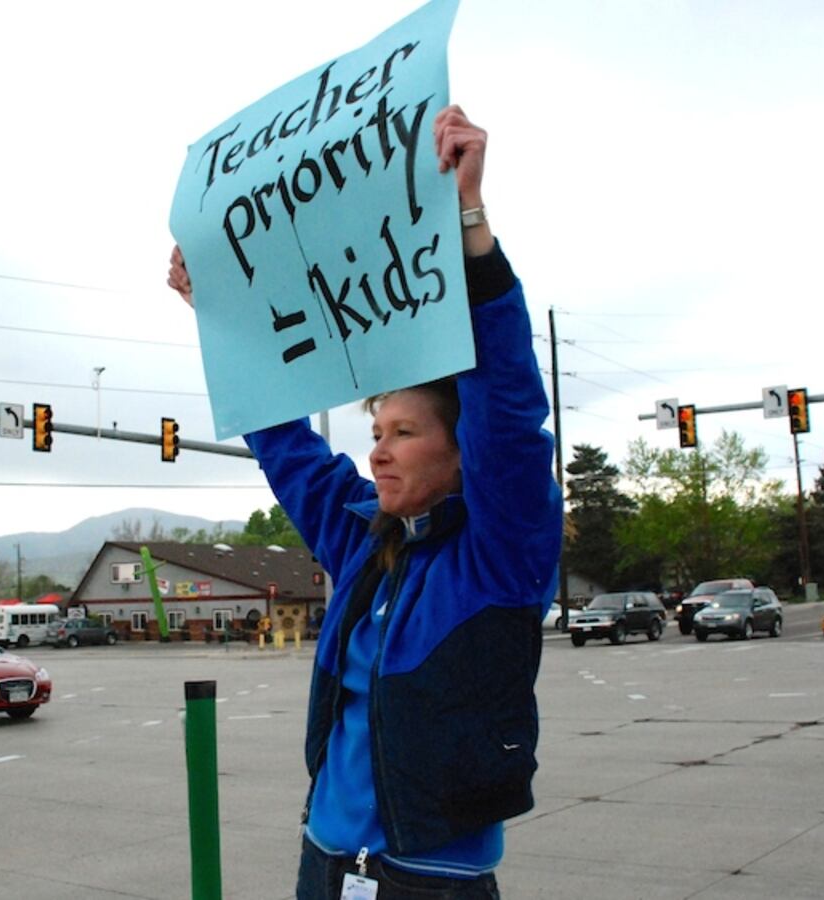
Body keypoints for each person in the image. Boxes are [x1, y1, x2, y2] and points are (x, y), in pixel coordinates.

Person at [167, 105, 561, 899]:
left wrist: (468, 222)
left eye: (404, 431)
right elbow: (289, 447)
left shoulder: (500, 558)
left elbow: (509, 413)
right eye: (375, 428)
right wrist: (222, 315)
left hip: (431, 880)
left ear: (459, 453)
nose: (376, 448)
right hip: (326, 865)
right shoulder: (360, 546)